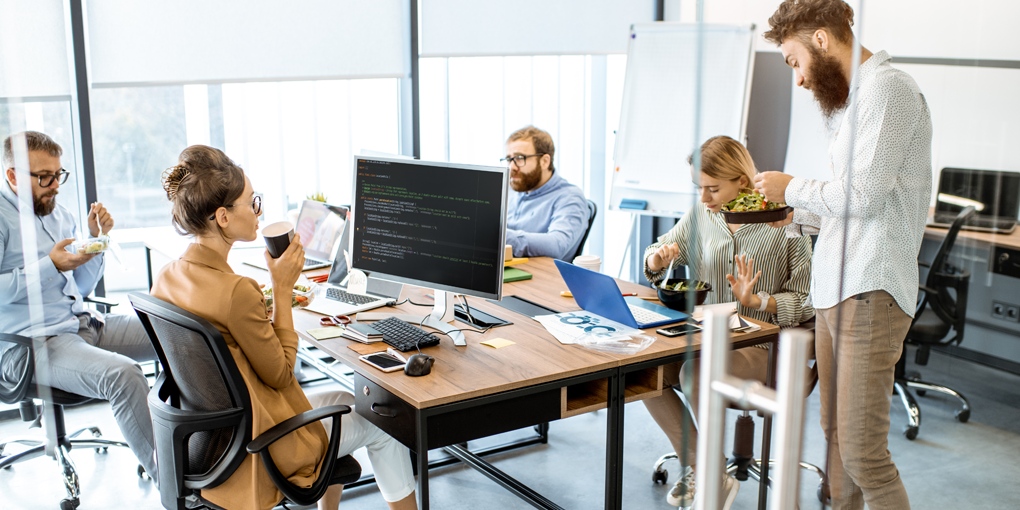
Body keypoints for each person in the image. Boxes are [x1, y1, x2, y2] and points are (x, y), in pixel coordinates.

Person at [150, 145, 417, 510]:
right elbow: (280, 374)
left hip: (214, 442)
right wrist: (282, 288)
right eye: (252, 202)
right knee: (385, 426)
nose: (259, 210)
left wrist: (269, 303)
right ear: (223, 217)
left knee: (346, 401)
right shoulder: (236, 292)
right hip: (262, 448)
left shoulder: (166, 278)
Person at [755, 1, 932, 509]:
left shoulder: (889, 91)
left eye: (794, 63)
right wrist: (798, 213)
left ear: (821, 40)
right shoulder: (857, 101)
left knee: (862, 453)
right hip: (836, 288)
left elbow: (865, 195)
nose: (799, 81)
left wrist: (792, 190)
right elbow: (849, 203)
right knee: (835, 436)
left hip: (870, 289)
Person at [642, 135, 814, 509]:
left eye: (712, 188)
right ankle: (705, 467)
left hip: (766, 345)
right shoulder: (702, 214)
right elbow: (657, 251)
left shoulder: (785, 218)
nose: (703, 198)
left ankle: (709, 476)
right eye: (698, 188)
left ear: (741, 179)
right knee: (642, 375)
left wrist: (758, 301)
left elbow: (807, 302)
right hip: (705, 336)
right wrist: (657, 259)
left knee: (695, 373)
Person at [0, 131, 157, 478]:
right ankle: (176, 488)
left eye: (59, 175)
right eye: (44, 177)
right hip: (30, 345)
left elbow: (81, 286)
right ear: (12, 176)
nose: (55, 185)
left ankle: (189, 450)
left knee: (174, 335)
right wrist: (50, 265)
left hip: (79, 323)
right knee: (124, 376)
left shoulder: (61, 215)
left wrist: (97, 242)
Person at [502, 126, 588, 260]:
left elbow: (557, 245)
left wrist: (500, 236)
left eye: (519, 158)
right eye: (509, 159)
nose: (511, 167)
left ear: (544, 161)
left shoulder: (570, 197)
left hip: (540, 276)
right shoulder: (512, 188)